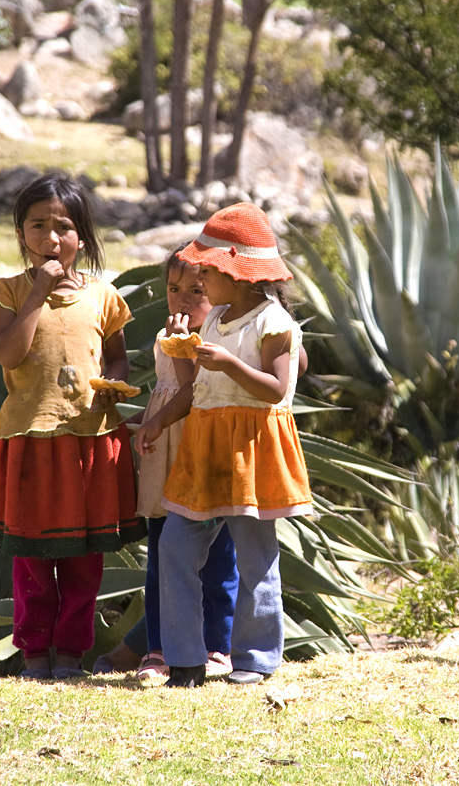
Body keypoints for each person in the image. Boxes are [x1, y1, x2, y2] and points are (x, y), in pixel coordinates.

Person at [0, 172, 144, 679]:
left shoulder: (104, 297)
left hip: (89, 439)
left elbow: (117, 359)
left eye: (63, 227)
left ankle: (70, 655)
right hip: (31, 440)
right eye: (37, 225)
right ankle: (35, 654)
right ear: (21, 234)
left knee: (85, 559)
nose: (51, 237)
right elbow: (10, 352)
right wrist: (39, 291)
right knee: (34, 561)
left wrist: (113, 384)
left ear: (82, 238)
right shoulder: (4, 294)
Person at [135, 202, 312, 688]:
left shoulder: (274, 324)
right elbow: (195, 390)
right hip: (204, 444)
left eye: (205, 273)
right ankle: (185, 658)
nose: (199, 281)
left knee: (255, 554)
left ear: (236, 275)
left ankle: (255, 658)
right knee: (174, 546)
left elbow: (277, 390)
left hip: (250, 446)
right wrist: (162, 411)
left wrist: (227, 364)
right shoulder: (214, 321)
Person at [114, 247, 241, 682]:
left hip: (199, 448)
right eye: (173, 289)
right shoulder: (164, 337)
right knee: (161, 553)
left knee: (217, 555)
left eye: (196, 291)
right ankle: (158, 649)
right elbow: (165, 391)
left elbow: (194, 394)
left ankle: (217, 646)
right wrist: (135, 423)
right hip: (162, 452)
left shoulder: (216, 340)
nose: (182, 300)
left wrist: (185, 350)